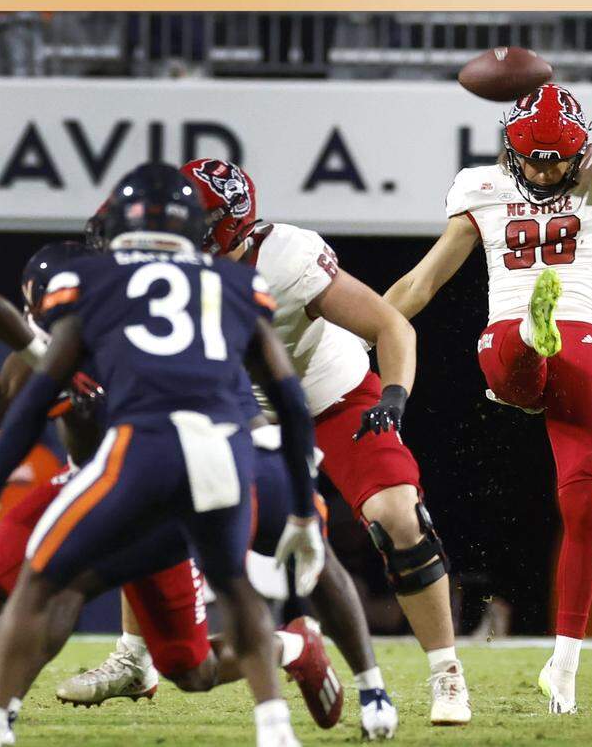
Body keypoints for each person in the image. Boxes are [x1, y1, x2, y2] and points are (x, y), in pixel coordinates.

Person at [0, 242, 398, 738]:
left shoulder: (161, 344)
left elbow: (261, 407)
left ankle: (294, 649)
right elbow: (8, 388)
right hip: (96, 488)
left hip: (173, 491)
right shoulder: (54, 340)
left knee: (190, 668)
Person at [382, 50, 592, 714]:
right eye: (537, 159)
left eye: (559, 158)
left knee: (586, 507)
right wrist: (355, 327)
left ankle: (565, 667)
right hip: (507, 338)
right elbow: (423, 282)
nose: (549, 170)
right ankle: (532, 339)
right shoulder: (481, 190)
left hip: (582, 343)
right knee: (516, 353)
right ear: (512, 151)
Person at [177, 157, 470, 725]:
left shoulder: (287, 258)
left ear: (228, 224)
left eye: (197, 220)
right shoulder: (169, 272)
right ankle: (133, 653)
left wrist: (393, 397)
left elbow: (391, 324)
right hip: (247, 418)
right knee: (157, 500)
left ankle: (446, 672)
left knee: (399, 517)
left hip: (333, 397)